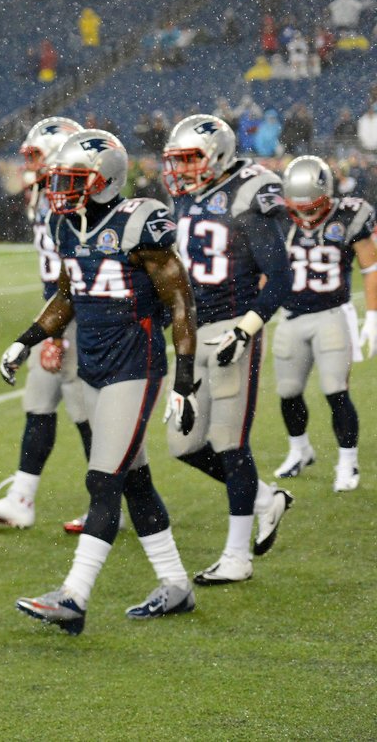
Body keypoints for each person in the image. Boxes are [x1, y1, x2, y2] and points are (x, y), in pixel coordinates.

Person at [0, 129, 196, 635]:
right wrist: (25, 340)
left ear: (105, 180)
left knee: (102, 479)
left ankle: (74, 596)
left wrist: (186, 380)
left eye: (73, 179)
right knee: (135, 480)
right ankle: (176, 584)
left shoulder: (139, 223)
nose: (60, 188)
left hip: (135, 365)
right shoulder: (66, 227)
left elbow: (180, 302)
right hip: (92, 364)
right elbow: (67, 295)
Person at [161, 115, 294, 584]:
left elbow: (280, 278)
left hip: (231, 326)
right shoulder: (183, 196)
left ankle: (238, 557)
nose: (182, 169)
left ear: (217, 153)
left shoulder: (248, 192)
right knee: (182, 444)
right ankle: (264, 498)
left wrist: (245, 331)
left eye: (191, 157)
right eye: (177, 160)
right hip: (190, 332)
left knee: (230, 442)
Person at [0, 117, 94, 531]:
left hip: (76, 316)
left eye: (37, 155)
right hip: (54, 314)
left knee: (86, 413)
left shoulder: (72, 198)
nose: (31, 165)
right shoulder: (45, 194)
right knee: (39, 406)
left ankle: (111, 500)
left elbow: (73, 272)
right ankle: (22, 499)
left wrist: (56, 334)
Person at [273, 156, 377, 491]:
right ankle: (299, 450)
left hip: (332, 313)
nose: (304, 215)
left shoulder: (349, 215)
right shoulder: (276, 217)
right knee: (288, 393)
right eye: (297, 207)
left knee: (336, 390)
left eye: (312, 206)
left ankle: (348, 463)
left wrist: (373, 316)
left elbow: (370, 268)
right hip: (290, 316)